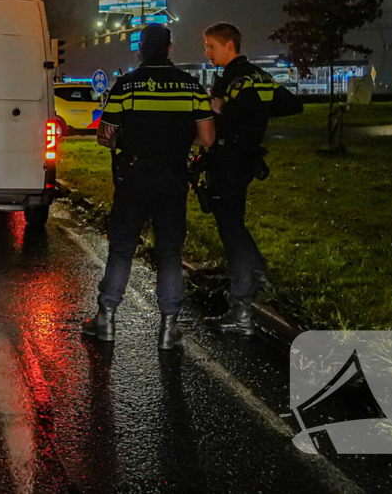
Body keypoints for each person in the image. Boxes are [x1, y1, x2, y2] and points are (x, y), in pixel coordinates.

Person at [83, 24, 215, 350]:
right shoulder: (191, 86)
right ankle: (169, 328)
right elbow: (207, 138)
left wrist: (123, 138)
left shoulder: (126, 86)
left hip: (133, 178)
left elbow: (104, 136)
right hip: (173, 178)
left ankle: (106, 319)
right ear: (169, 49)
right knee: (169, 252)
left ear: (140, 49)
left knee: (122, 248)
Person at [201, 22, 300, 336]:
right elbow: (290, 103)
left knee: (231, 231)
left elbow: (230, 115)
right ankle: (259, 274)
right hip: (243, 162)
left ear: (229, 45)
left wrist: (225, 108)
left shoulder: (236, 78)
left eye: (211, 46)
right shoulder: (258, 76)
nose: (207, 53)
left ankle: (242, 309)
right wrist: (253, 113)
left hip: (228, 161)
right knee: (234, 226)